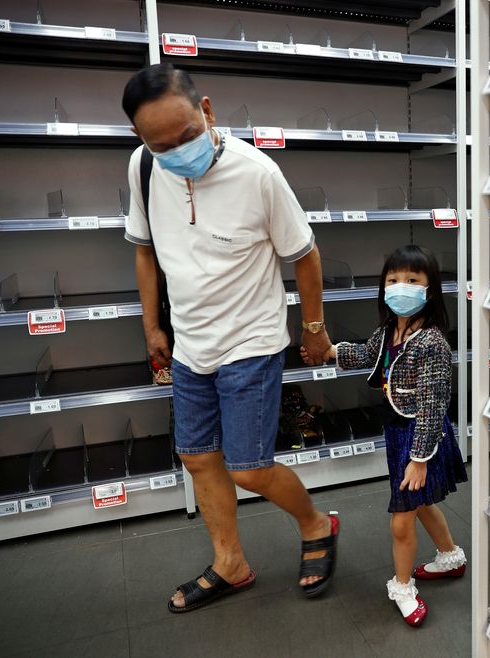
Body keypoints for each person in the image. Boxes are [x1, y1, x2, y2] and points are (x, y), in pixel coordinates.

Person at [121, 63, 339, 613]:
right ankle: (230, 562)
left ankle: (316, 524)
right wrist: (153, 327)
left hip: (251, 338)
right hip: (191, 343)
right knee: (197, 458)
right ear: (139, 139)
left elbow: (305, 255)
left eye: (188, 134)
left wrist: (313, 327)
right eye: (161, 143)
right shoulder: (143, 167)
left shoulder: (257, 173)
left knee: (249, 467)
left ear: (208, 111)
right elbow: (145, 250)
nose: (178, 150)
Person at [303, 245, 468, 627]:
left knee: (401, 517)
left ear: (430, 290)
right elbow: (365, 354)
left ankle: (402, 585)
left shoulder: (432, 344)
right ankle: (450, 556)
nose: (400, 287)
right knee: (422, 503)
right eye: (393, 280)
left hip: (419, 437)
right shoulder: (390, 331)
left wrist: (419, 458)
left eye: (412, 280)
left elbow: (433, 405)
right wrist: (328, 351)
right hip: (398, 432)